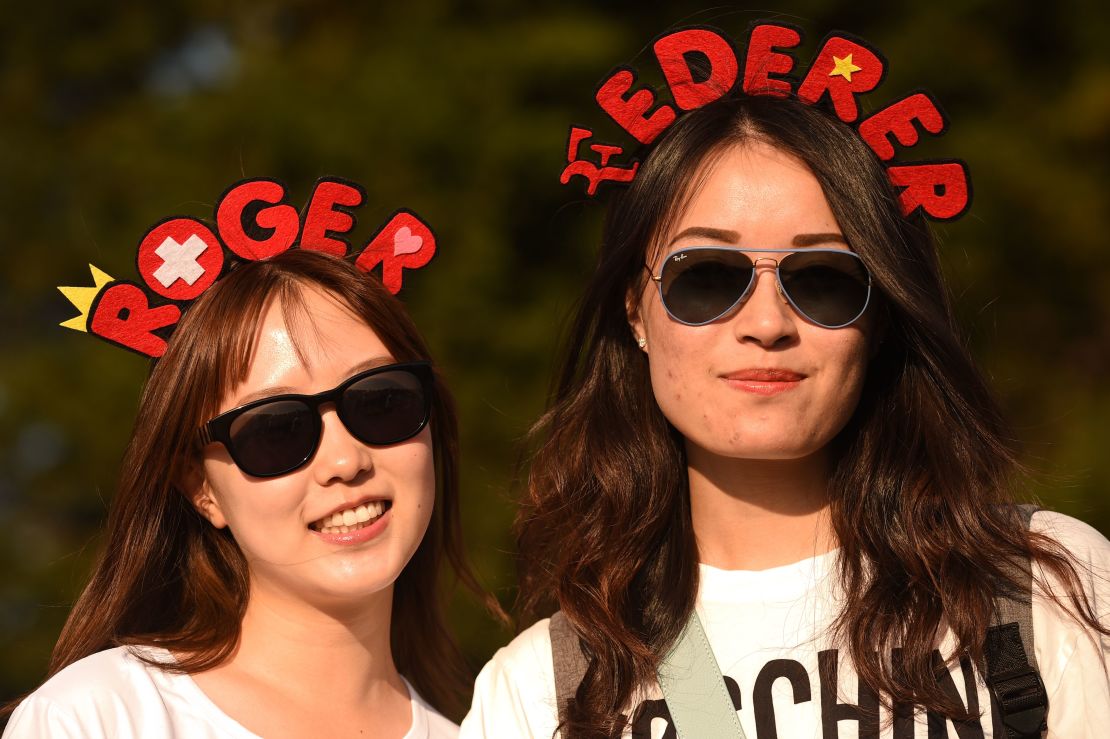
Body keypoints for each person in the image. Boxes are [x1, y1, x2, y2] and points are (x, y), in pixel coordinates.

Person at [461, 89, 1110, 736]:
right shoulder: (544, 691)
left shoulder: (1040, 590)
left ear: (880, 314)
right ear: (635, 308)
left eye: (824, 278)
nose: (768, 323)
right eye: (708, 275)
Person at [4, 246, 481, 737]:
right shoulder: (99, 718)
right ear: (200, 487)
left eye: (381, 401)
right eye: (276, 429)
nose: (346, 461)